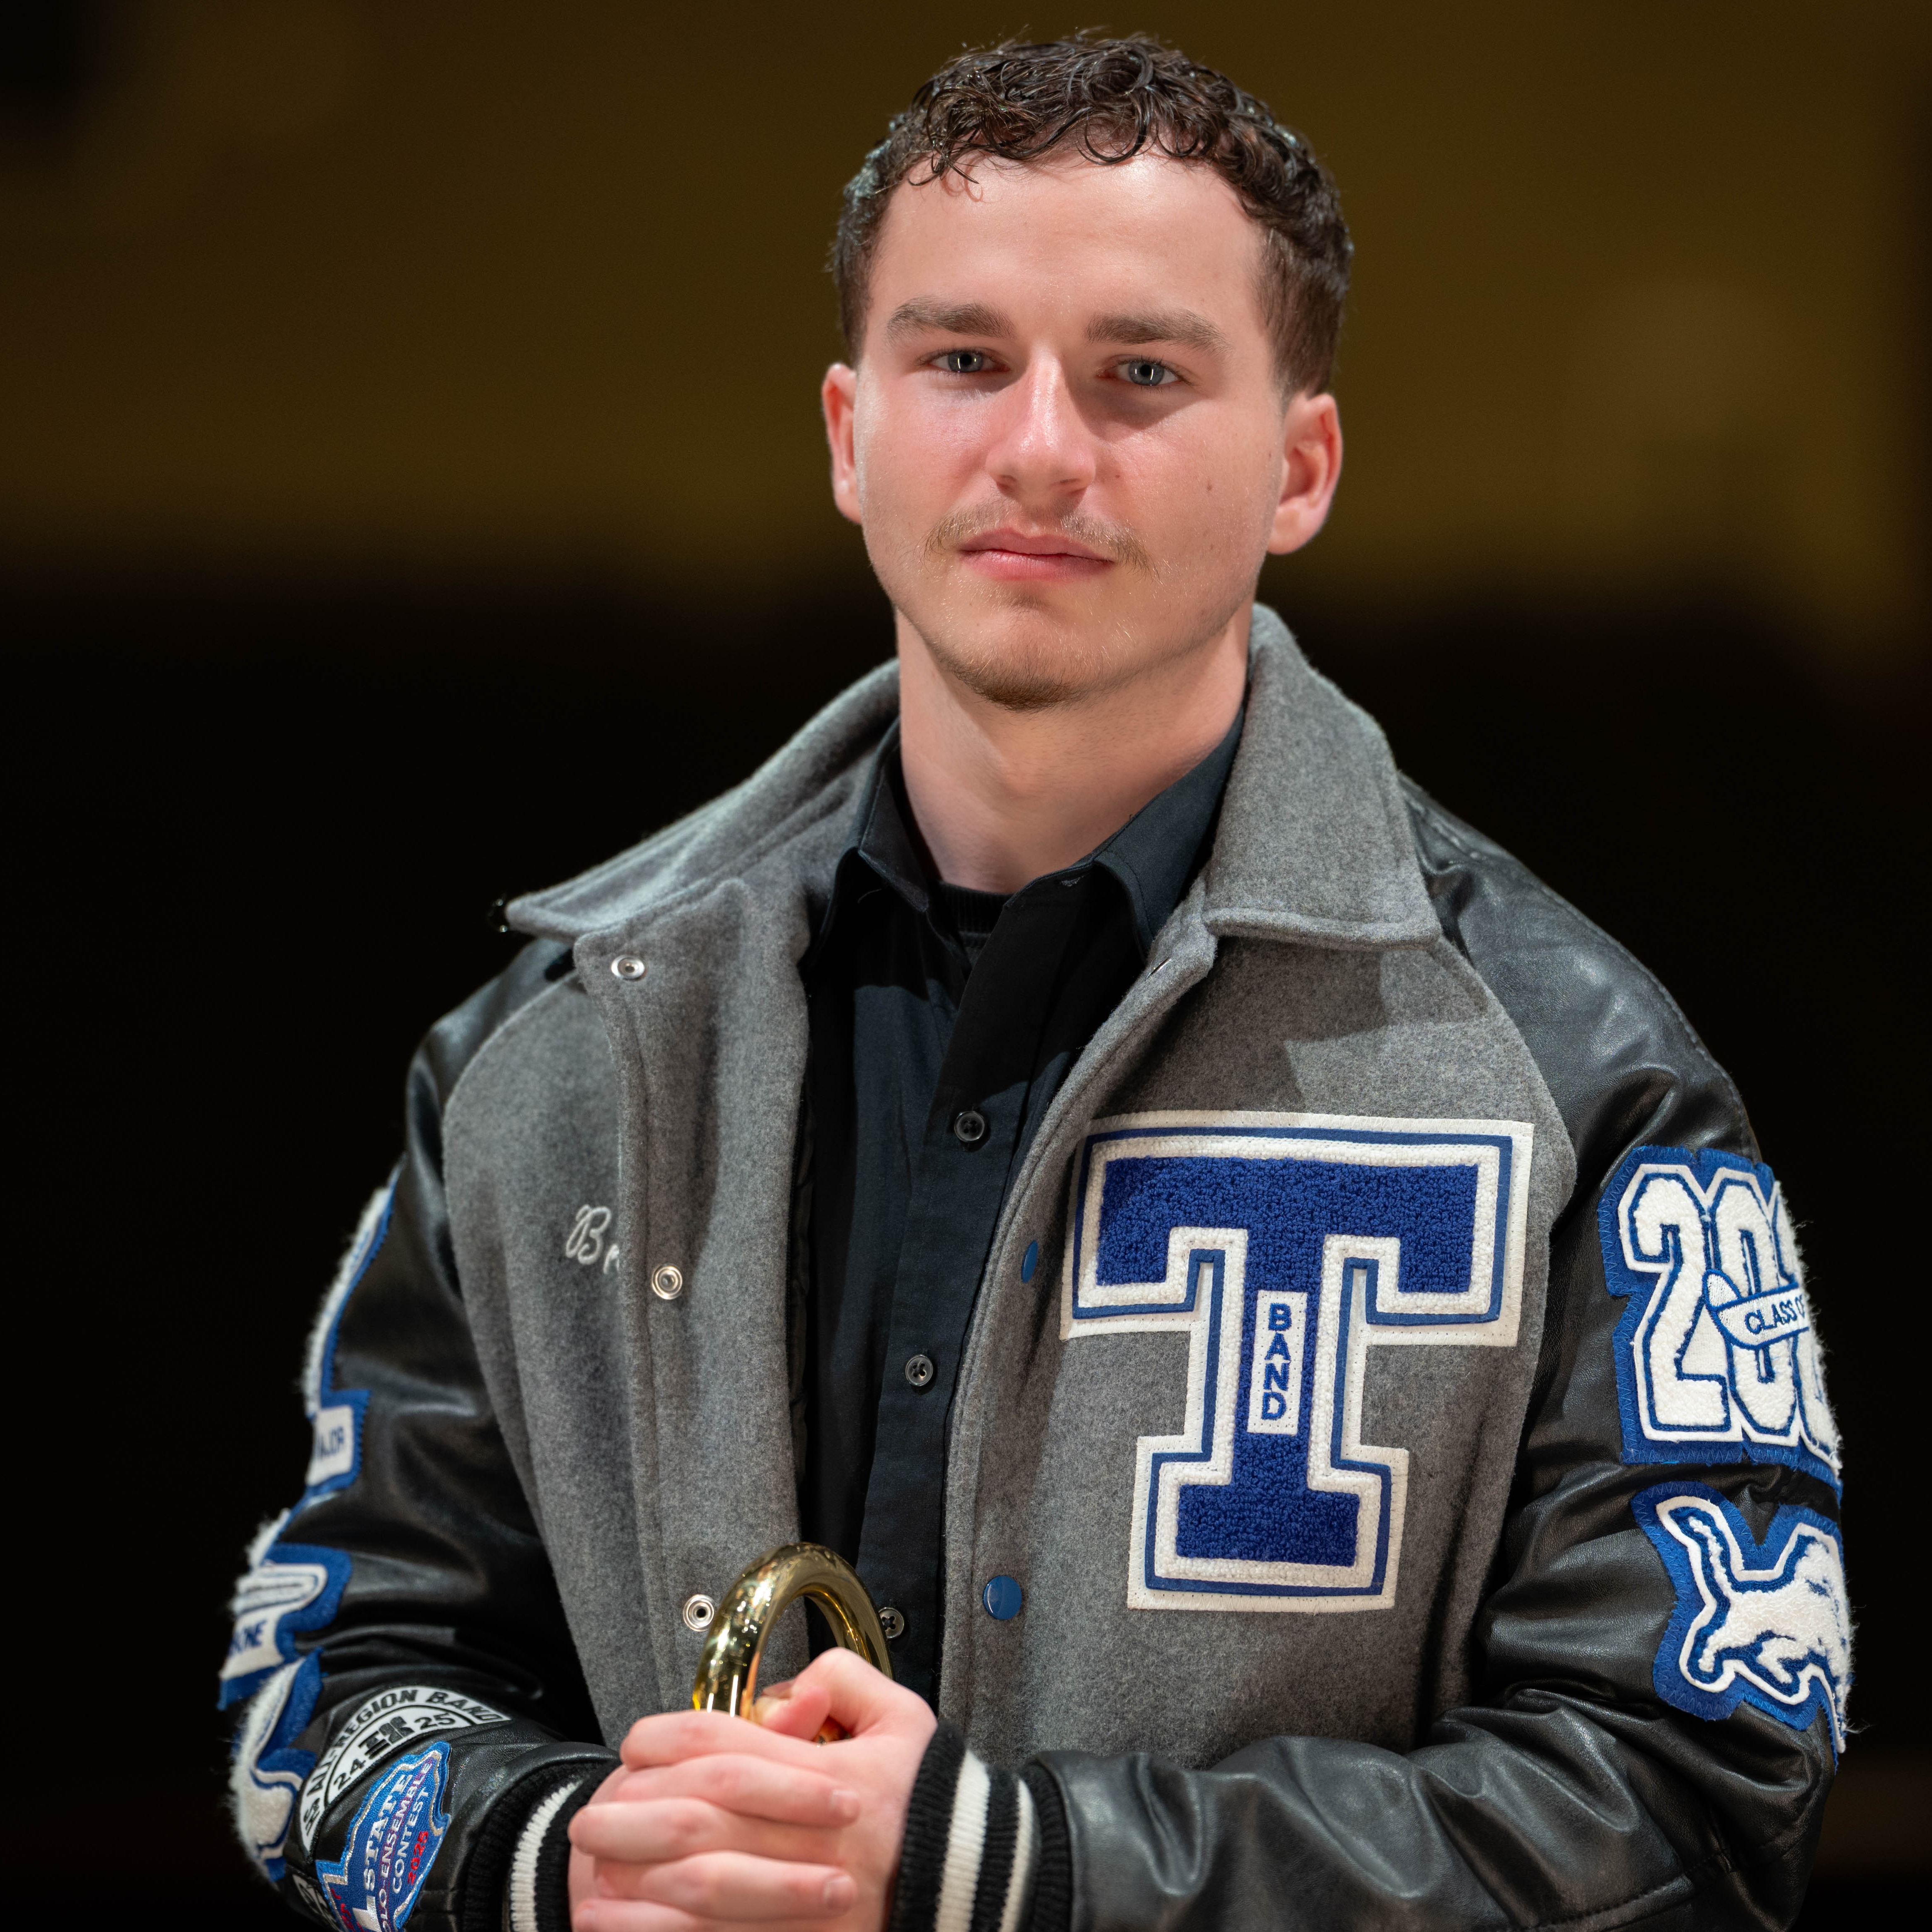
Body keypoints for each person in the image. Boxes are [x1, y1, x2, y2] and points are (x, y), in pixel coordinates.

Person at [221, 35, 1849, 1932]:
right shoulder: (554, 1059)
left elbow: (1698, 1800)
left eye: (1142, 375)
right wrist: (547, 1857)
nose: (1041, 449)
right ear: (849, 432)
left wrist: (1010, 1869)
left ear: (1302, 466)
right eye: (963, 360)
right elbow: (319, 1696)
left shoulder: (1569, 1081)